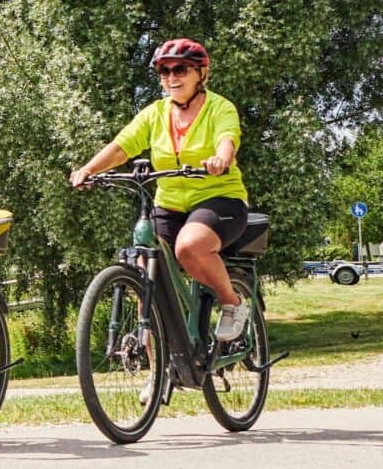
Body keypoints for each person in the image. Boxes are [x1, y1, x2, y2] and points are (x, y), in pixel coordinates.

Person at [69, 38, 255, 342]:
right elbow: (122, 147)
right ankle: (157, 374)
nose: (172, 77)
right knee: (146, 277)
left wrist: (221, 159)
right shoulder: (155, 113)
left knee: (189, 246)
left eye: (180, 69)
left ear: (201, 73)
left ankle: (232, 303)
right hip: (169, 203)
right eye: (164, 72)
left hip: (219, 199)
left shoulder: (220, 108)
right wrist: (88, 169)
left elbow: (227, 138)